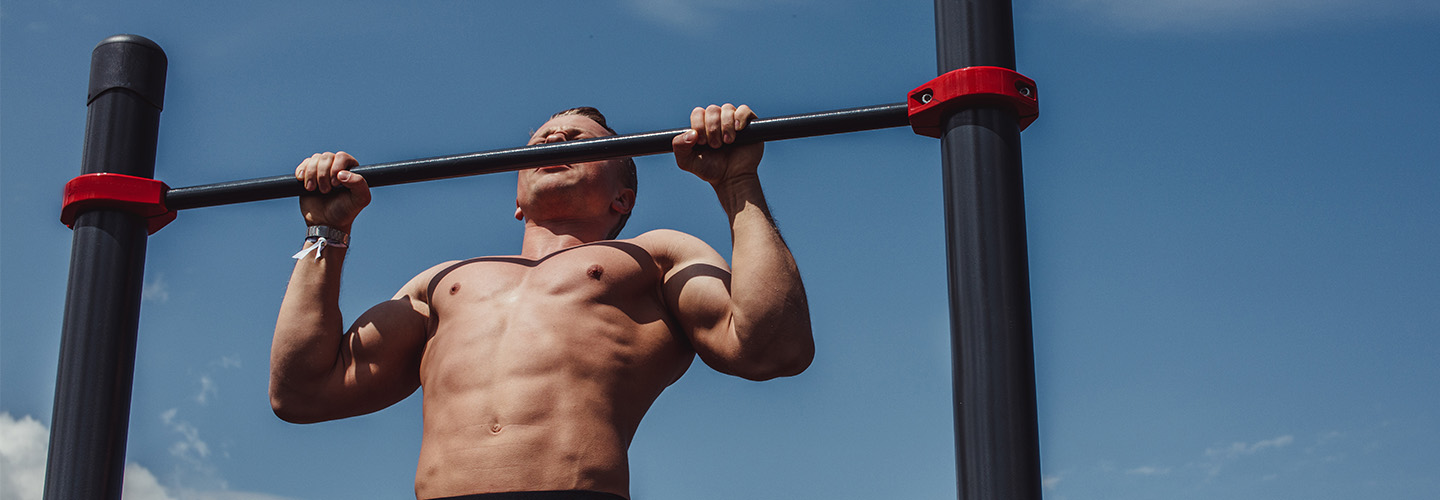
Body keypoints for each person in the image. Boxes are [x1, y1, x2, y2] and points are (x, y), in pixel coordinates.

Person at [269, 104, 815, 500]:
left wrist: (737, 182)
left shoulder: (654, 256)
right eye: (541, 140)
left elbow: (772, 348)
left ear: (622, 197)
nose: (554, 139)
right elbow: (301, 391)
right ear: (516, 198)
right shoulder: (443, 281)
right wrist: (326, 232)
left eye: (576, 139)